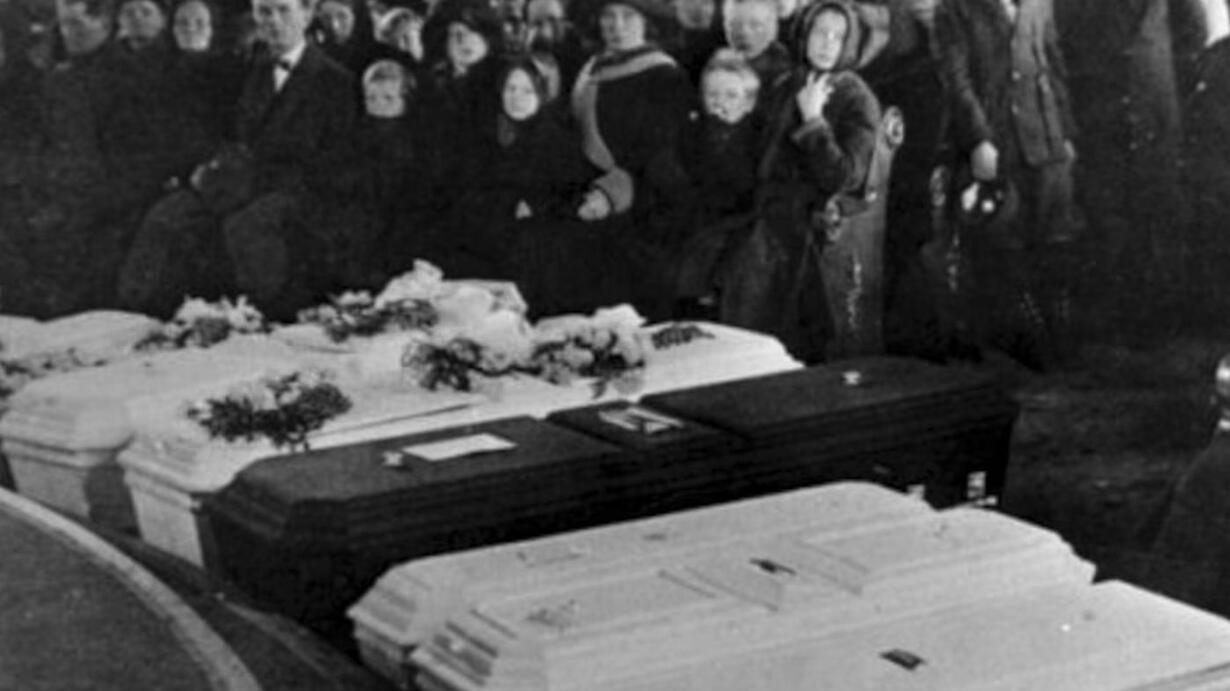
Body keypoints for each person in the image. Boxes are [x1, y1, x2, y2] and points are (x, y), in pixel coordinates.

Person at [118, 0, 358, 319]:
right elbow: (220, 131)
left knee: (247, 227)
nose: (273, 21)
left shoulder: (335, 81)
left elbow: (335, 164)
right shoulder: (243, 68)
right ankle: (140, 317)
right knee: (167, 216)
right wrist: (210, 169)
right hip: (236, 181)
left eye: (283, 10)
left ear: (307, 14)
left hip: (296, 190)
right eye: (264, 11)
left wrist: (254, 183)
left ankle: (265, 321)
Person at [721, 0, 881, 362]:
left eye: (837, 36)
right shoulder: (787, 82)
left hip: (812, 221)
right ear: (804, 34)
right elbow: (755, 157)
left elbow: (844, 176)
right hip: (765, 209)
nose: (827, 43)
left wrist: (814, 121)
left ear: (848, 43)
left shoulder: (856, 97)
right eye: (819, 33)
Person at [513, 0, 691, 317]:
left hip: (641, 203)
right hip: (583, 190)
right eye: (609, 15)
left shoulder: (665, 75)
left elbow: (660, 150)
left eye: (628, 16)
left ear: (647, 22)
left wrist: (610, 194)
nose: (617, 25)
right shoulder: (592, 65)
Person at [935, 0, 1082, 370]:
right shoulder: (956, 9)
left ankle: (1061, 335)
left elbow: (1053, 63)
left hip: (1045, 137)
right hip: (999, 141)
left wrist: (1065, 131)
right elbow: (957, 82)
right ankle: (1030, 339)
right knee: (1008, 243)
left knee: (1056, 239)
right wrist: (979, 140)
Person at [1056, 0, 1206, 340]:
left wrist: (1165, 91)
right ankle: (1114, 316)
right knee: (1108, 214)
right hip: (1100, 116)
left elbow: (1192, 39)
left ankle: (1159, 311)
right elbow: (1061, 46)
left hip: (1155, 109)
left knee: (1158, 207)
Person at [443, 55, 589, 278]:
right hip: (485, 237)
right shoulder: (485, 132)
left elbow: (569, 195)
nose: (516, 98)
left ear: (543, 94)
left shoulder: (558, 140)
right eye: (510, 89)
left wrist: (536, 206)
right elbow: (467, 187)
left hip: (536, 246)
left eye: (527, 91)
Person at [670, 50, 763, 315]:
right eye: (712, 95)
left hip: (740, 219)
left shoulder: (757, 140)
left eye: (731, 96)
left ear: (749, 103)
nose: (720, 103)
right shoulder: (691, 134)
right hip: (697, 216)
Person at [722, 0, 789, 101]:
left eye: (755, 25)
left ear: (773, 28)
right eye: (734, 24)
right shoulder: (718, 61)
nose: (743, 32)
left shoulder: (784, 75)